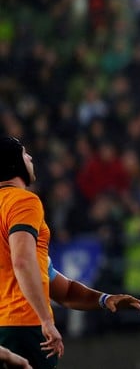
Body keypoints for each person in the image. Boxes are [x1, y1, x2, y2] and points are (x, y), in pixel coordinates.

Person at [0, 137, 64, 368]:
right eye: (25, 154)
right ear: (14, 162)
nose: (30, 158)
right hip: (24, 321)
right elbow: (22, 261)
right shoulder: (24, 201)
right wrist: (46, 320)